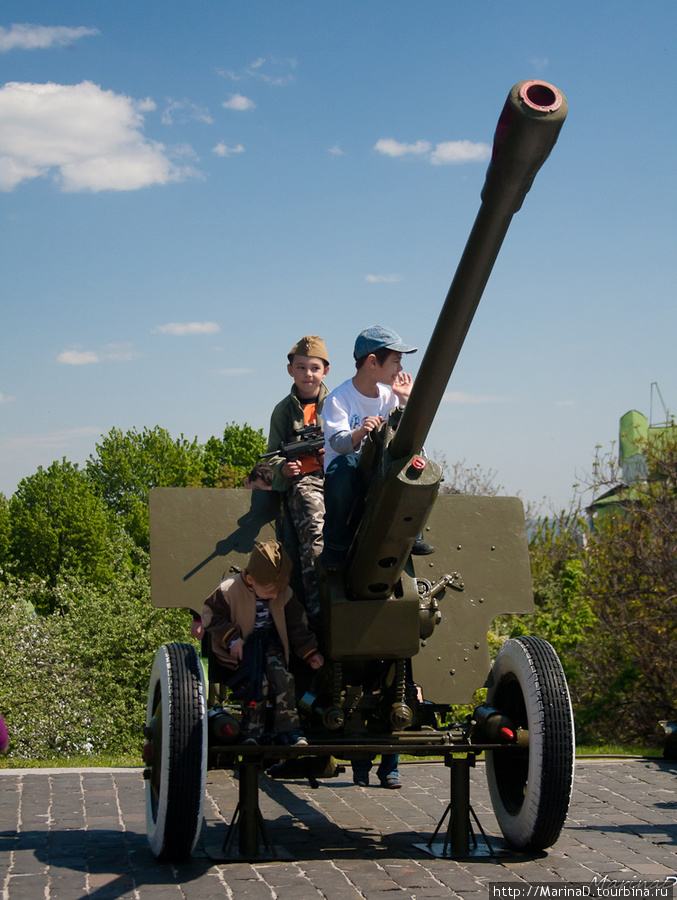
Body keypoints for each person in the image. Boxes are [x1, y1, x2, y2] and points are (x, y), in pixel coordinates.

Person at [201, 540, 323, 745]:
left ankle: (290, 729)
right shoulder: (229, 590)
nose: (274, 595)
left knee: (283, 678)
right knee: (257, 684)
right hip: (242, 650)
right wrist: (232, 639)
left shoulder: (283, 594)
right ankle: (252, 731)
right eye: (269, 591)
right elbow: (210, 615)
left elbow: (296, 625)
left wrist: (309, 651)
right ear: (250, 579)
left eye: (278, 590)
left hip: (271, 646)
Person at [320, 325, 416, 569]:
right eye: (396, 361)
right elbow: (339, 444)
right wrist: (361, 431)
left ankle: (411, 534)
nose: (401, 369)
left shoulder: (389, 396)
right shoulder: (340, 398)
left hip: (377, 465)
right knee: (341, 469)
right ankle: (335, 545)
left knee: (407, 466)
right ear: (373, 362)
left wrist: (405, 401)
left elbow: (405, 437)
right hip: (348, 468)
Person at [265, 335, 330, 621]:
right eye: (301, 367)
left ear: (325, 371)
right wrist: (284, 469)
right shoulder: (283, 411)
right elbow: (273, 455)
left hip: (337, 476)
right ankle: (318, 606)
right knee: (315, 534)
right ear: (290, 370)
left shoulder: (336, 403)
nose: (308, 374)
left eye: (314, 368)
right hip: (303, 482)